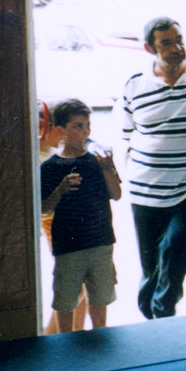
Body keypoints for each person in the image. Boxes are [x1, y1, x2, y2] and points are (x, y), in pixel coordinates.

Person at [120, 17, 186, 319]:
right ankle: (149, 315)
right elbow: (126, 134)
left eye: (179, 40)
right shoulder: (135, 85)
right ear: (149, 48)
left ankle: (162, 311)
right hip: (145, 193)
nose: (176, 48)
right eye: (166, 42)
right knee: (150, 265)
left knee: (176, 249)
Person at [40, 99, 122, 331]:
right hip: (69, 245)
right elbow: (44, 208)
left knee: (101, 301)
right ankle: (64, 346)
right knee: (65, 302)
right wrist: (60, 190)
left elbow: (116, 195)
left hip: (101, 242)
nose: (85, 131)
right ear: (60, 131)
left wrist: (107, 168)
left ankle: (99, 341)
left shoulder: (97, 161)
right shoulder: (50, 167)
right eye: (77, 126)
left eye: (87, 125)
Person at [38, 100, 88, 333]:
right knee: (73, 285)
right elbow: (45, 208)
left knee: (82, 284)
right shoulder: (39, 160)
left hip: (73, 223)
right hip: (56, 223)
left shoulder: (48, 154)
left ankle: (74, 337)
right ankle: (54, 338)